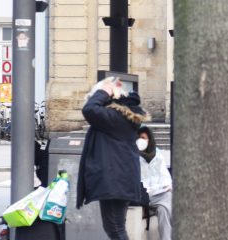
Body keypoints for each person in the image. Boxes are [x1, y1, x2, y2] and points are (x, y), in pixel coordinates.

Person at [73, 77, 149, 240]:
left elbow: (90, 109)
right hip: (118, 178)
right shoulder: (120, 115)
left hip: (115, 179)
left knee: (115, 228)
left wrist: (104, 90)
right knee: (116, 226)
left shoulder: (116, 116)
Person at [136, 127, 173, 240]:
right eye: (138, 138)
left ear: (149, 140)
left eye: (143, 138)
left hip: (158, 194)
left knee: (163, 208)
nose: (140, 141)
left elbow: (164, 174)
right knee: (168, 199)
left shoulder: (157, 155)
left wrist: (167, 185)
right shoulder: (133, 155)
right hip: (143, 194)